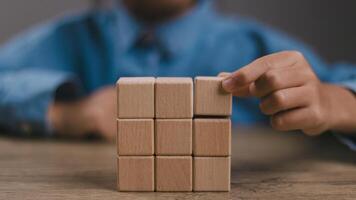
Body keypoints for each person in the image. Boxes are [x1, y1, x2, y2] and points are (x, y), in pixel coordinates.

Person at [0, 0, 355, 146]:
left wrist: (334, 101)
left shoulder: (253, 45)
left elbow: (339, 90)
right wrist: (64, 114)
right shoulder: (65, 39)